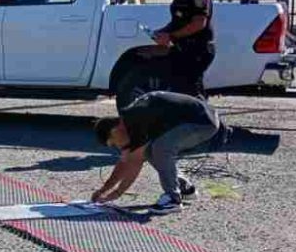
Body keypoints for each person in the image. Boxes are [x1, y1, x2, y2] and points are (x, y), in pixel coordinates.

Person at [91, 91, 221, 214]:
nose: (117, 146)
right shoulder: (130, 120)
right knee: (149, 151)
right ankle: (184, 188)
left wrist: (117, 193)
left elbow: (134, 163)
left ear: (114, 130)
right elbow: (125, 161)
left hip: (203, 121)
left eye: (113, 143)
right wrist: (103, 190)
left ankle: (172, 199)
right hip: (198, 118)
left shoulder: (135, 120)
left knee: (161, 147)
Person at [153, 0, 215, 97]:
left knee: (191, 91)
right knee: (180, 87)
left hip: (198, 48)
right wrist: (163, 32)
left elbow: (199, 23)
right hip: (184, 47)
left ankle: (202, 117)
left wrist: (171, 36)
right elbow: (178, 20)